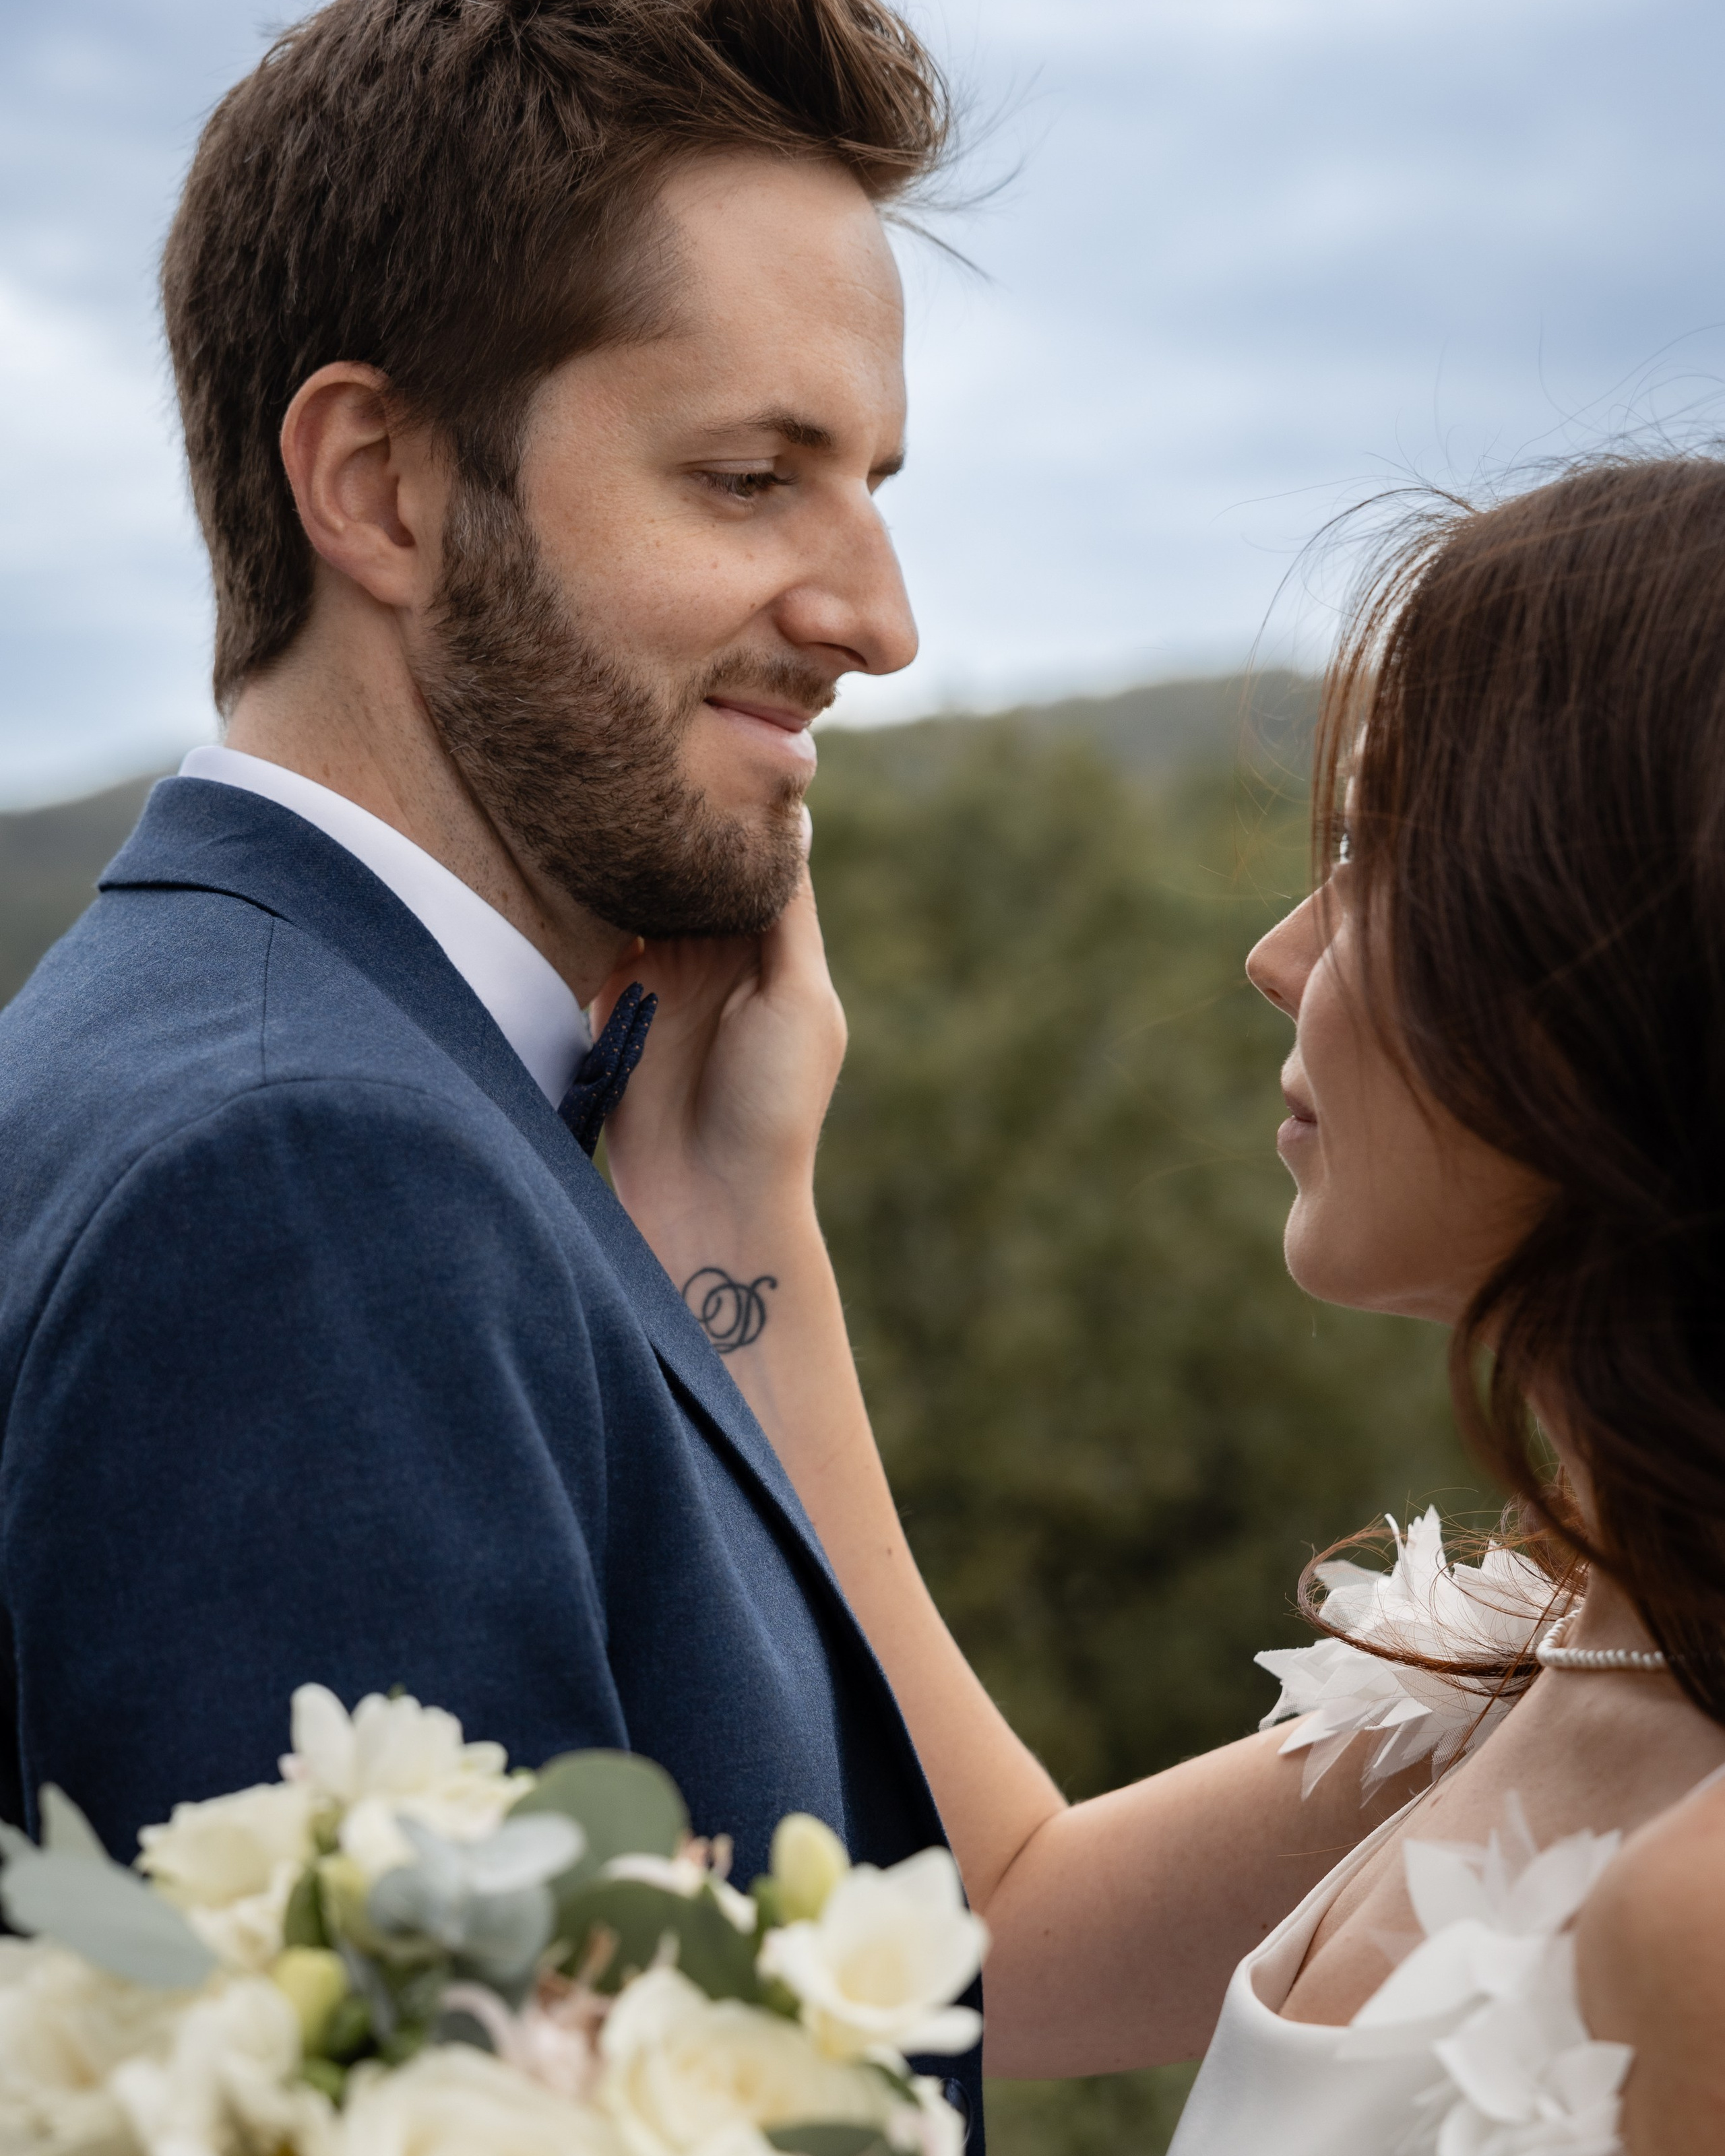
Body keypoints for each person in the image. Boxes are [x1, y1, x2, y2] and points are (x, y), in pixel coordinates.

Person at [0, 5, 987, 2124]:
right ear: (379, 485)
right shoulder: (308, 1182)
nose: (880, 617)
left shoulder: (248, 1065)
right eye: (752, 475)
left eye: (873, 485)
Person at [606, 455, 1725, 2153]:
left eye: (1375, 856)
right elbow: (994, 1927)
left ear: (1623, 960)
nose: (1277, 952)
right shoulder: (1545, 1653)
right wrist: (735, 1191)